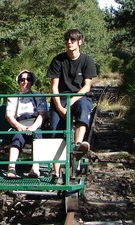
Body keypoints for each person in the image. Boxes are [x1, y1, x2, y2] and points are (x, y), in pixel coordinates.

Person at [47, 29, 97, 178]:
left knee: (84, 106)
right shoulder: (58, 60)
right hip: (60, 98)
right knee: (56, 130)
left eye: (73, 40)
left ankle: (77, 147)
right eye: (67, 40)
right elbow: (54, 87)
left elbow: (87, 86)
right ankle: (56, 171)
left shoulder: (87, 61)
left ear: (79, 42)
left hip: (78, 97)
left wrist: (70, 102)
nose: (69, 42)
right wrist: (59, 106)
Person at [6, 70, 47, 178]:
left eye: (28, 79)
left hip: (35, 123)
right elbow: (9, 115)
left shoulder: (38, 96)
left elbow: (42, 114)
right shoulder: (13, 97)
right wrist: (19, 126)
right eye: (22, 79)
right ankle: (11, 168)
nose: (25, 82)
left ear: (32, 82)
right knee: (17, 137)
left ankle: (35, 168)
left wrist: (33, 127)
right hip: (19, 123)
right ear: (19, 82)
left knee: (37, 136)